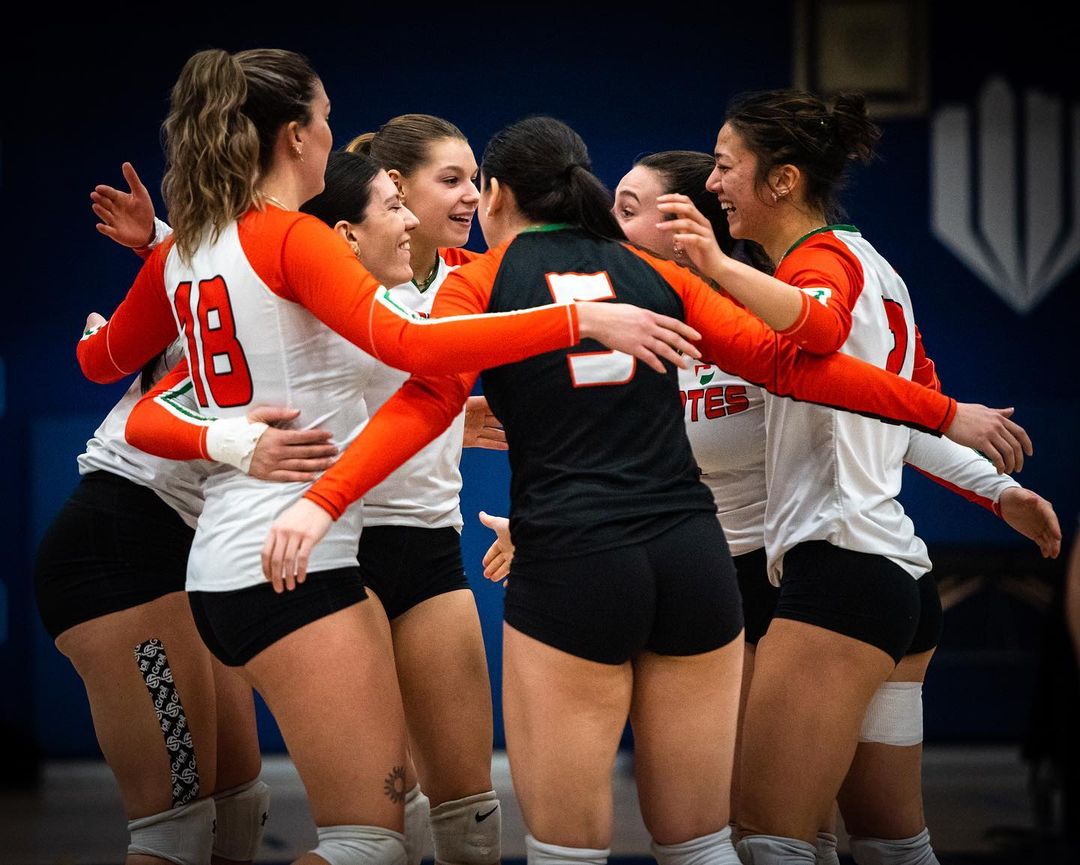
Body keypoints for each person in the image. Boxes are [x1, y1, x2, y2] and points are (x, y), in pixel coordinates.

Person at [259, 115, 1031, 865]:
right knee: (704, 845)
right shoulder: (659, 275)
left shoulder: (483, 280)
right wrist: (946, 413)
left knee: (569, 850)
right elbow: (799, 367)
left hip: (575, 560)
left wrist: (322, 497)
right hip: (694, 562)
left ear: (496, 195)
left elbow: (424, 401)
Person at [74, 49, 700, 865]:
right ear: (297, 136)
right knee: (365, 840)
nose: (459, 199)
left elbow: (127, 378)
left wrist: (228, 431)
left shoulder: (193, 246)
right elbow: (409, 343)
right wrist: (581, 321)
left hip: (244, 556)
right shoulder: (296, 242)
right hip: (297, 554)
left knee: (261, 824)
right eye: (328, 120)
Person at [615, 147, 1062, 865]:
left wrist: (994, 485)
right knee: (870, 836)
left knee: (772, 831)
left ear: (685, 224)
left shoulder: (766, 313)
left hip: (798, 586)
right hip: (727, 586)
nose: (610, 225)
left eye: (629, 209)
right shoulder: (642, 328)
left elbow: (868, 408)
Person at [109, 145, 504, 865]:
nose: (464, 198)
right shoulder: (312, 290)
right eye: (440, 183)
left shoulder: (466, 279)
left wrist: (456, 418)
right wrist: (233, 441)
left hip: (388, 545)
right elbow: (151, 393)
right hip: (279, 554)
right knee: (349, 830)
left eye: (476, 181)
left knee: (455, 825)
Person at [34, 334, 338, 863]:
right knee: (174, 829)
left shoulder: (323, 300)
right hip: (117, 556)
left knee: (240, 807)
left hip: (184, 551)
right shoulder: (255, 274)